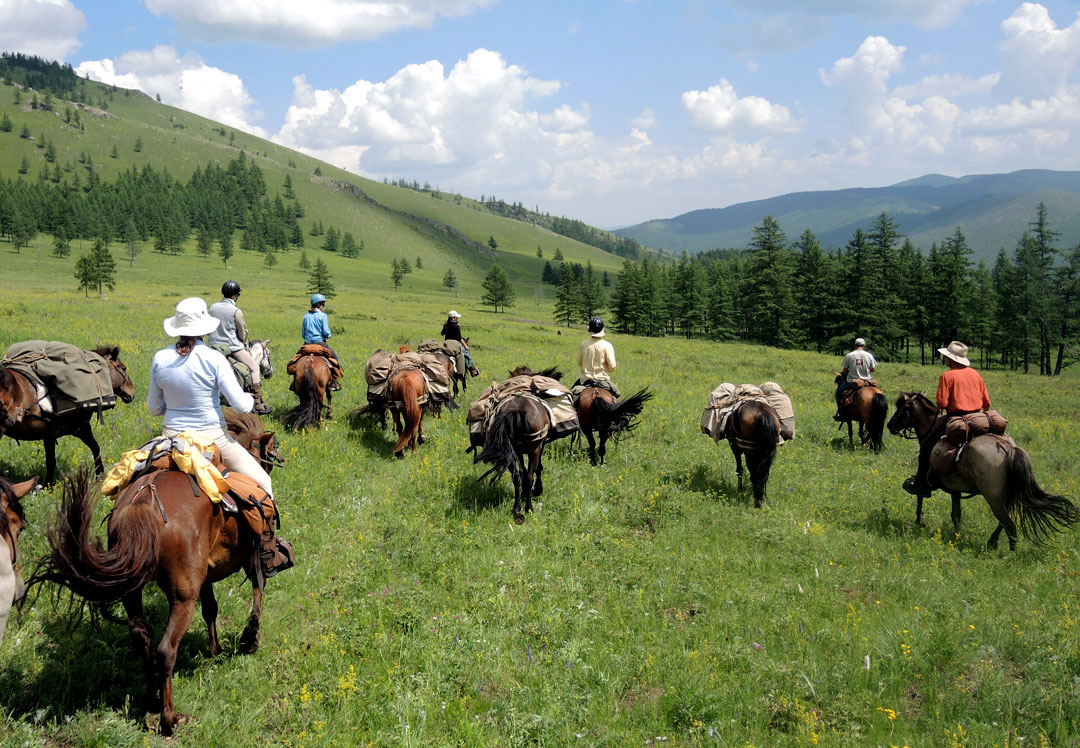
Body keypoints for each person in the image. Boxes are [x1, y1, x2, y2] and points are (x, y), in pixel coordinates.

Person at [148, 297, 292, 578]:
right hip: (214, 440)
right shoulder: (214, 358)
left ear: (176, 328)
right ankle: (266, 551)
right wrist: (251, 401)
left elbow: (154, 408)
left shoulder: (160, 358)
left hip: (170, 441)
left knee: (134, 475)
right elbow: (239, 405)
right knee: (264, 483)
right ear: (204, 327)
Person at [902, 340, 991, 497]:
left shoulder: (947, 376)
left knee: (926, 448)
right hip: (978, 417)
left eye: (946, 357)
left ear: (951, 359)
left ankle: (922, 484)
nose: (945, 359)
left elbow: (941, 403)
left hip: (957, 418)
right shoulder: (976, 374)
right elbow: (987, 403)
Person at [208, 280, 270, 415]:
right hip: (233, 348)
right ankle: (258, 403)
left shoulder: (212, 307)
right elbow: (242, 332)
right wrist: (246, 344)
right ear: (235, 295)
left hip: (213, 347)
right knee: (254, 367)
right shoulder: (236, 311)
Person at [574, 317, 620, 398]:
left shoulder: (583, 344)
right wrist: (607, 369)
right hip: (603, 380)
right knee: (616, 396)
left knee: (571, 398)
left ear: (590, 329)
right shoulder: (607, 345)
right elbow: (612, 366)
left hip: (586, 380)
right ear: (602, 329)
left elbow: (579, 363)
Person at [302, 294, 340, 390]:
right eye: (323, 304)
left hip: (307, 344)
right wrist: (328, 335)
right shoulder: (323, 316)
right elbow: (326, 332)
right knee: (335, 359)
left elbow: (303, 334)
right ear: (319, 304)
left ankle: (294, 383)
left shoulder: (306, 317)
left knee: (294, 362)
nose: (324, 307)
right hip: (320, 343)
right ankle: (334, 382)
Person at [834, 337, 877, 420]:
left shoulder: (849, 355)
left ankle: (841, 414)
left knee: (838, 394)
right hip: (866, 381)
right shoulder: (869, 355)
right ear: (864, 345)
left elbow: (845, 371)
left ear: (855, 345)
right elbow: (873, 370)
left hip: (851, 381)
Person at [441, 310, 480, 376]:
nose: (457, 318)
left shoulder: (446, 325)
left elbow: (442, 333)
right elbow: (460, 338)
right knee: (466, 354)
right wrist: (466, 346)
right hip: (455, 345)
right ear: (453, 318)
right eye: (456, 317)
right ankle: (472, 369)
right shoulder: (456, 326)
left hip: (446, 344)